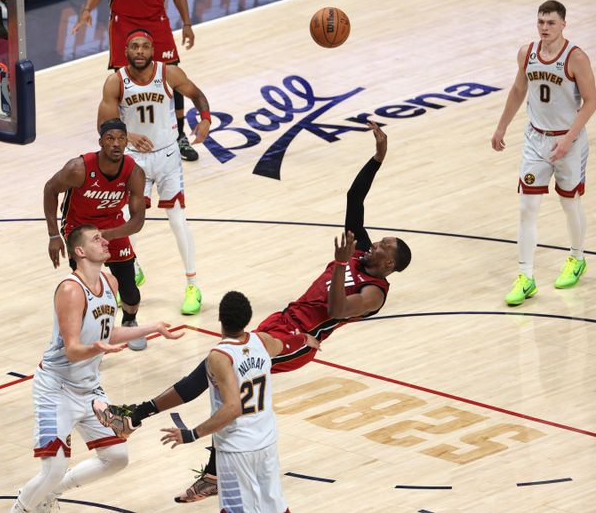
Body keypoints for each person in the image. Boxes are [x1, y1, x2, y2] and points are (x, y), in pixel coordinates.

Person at [93, 123, 411, 502]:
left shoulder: (374, 292)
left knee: (218, 366)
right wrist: (377, 158)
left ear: (389, 264)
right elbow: (354, 198)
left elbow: (337, 309)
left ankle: (134, 416)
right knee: (223, 378)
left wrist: (342, 264)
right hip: (282, 322)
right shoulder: (360, 252)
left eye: (382, 248)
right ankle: (206, 469)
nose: (375, 244)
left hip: (298, 341)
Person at [9, 224, 184, 513]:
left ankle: (51, 494)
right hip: (55, 389)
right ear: (80, 251)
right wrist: (97, 349)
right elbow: (73, 349)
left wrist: (151, 328)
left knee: (116, 456)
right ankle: (22, 508)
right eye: (97, 239)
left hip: (89, 389)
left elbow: (107, 333)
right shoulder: (70, 290)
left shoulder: (110, 282)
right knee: (52, 468)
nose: (105, 241)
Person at [98, 29, 211, 315]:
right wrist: (129, 135)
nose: (139, 51)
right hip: (135, 159)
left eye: (145, 46)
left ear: (153, 50)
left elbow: (197, 95)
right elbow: (103, 123)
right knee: (128, 220)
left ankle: (192, 285)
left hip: (168, 155)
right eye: (134, 46)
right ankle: (129, 273)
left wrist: (206, 119)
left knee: (177, 221)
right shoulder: (116, 81)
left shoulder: (168, 74)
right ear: (126, 51)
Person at [491, 0, 595, 306]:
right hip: (536, 141)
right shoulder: (527, 54)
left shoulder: (576, 58)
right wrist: (501, 128)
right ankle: (526, 277)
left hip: (569, 142)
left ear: (564, 24)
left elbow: (590, 101)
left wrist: (569, 139)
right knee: (527, 208)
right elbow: (517, 90)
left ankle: (577, 258)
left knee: (569, 202)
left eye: (550, 22)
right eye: (540, 22)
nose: (544, 27)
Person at [158, 291, 289, 513]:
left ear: (220, 318)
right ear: (248, 318)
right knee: (274, 507)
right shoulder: (263, 341)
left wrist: (191, 434)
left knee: (235, 509)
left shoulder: (219, 356)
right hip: (267, 443)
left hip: (236, 449)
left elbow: (233, 407)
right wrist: (305, 339)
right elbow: (285, 344)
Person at [44, 118, 149, 350]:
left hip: (112, 227)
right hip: (78, 228)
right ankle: (86, 337)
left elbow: (138, 221)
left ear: (126, 142)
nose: (116, 144)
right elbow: (50, 189)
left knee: (129, 289)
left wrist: (107, 235)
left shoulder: (134, 173)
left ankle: (130, 321)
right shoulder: (78, 168)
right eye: (110, 139)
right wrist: (53, 235)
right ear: (100, 141)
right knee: (87, 288)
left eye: (121, 139)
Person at [72, 0, 201, 161]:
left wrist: (187, 24)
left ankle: (179, 135)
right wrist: (86, 10)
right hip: (124, 23)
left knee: (172, 74)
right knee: (122, 82)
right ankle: (121, 138)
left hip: (156, 20)